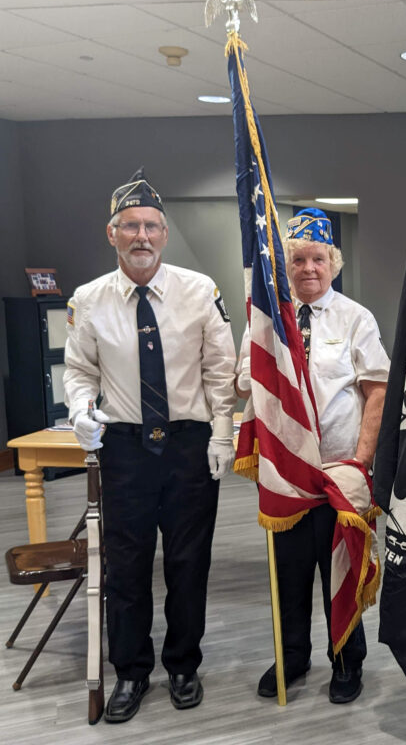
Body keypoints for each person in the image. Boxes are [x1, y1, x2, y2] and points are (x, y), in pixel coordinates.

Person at [63, 168, 236, 723]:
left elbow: (219, 369)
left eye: (151, 226)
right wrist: (80, 410)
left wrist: (223, 431)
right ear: (110, 233)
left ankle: (183, 664)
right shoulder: (88, 301)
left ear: (164, 233)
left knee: (189, 563)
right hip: (125, 450)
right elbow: (79, 370)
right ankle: (131, 673)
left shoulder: (199, 290)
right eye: (130, 226)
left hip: (188, 447)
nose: (142, 236)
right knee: (126, 568)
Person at [236, 208, 389, 705]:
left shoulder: (354, 317)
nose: (308, 268)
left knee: (340, 569)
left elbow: (377, 390)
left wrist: (361, 462)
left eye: (318, 259)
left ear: (333, 263)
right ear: (285, 265)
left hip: (338, 473)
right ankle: (292, 656)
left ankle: (347, 660)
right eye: (298, 259)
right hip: (286, 474)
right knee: (290, 575)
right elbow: (245, 379)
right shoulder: (266, 320)